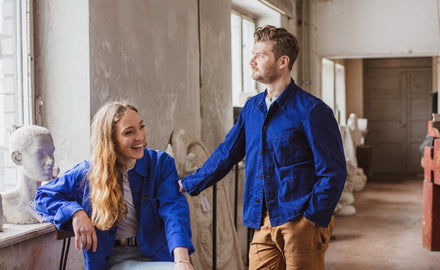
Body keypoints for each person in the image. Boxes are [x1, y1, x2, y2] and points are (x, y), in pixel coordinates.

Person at [179, 25, 347, 270]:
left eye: (260, 55)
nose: (251, 61)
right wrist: (188, 184)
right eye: (252, 54)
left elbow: (333, 171)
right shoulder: (251, 108)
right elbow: (227, 153)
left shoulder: (312, 110)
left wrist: (311, 218)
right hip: (262, 221)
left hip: (299, 219)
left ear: (282, 62)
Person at [35, 101, 195, 270]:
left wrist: (182, 261)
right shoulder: (88, 173)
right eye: (129, 132)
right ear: (111, 139)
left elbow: (174, 212)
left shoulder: (160, 164)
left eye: (141, 127)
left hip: (157, 254)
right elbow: (43, 197)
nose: (140, 136)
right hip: (114, 260)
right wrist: (76, 212)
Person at [2, 125, 55, 224]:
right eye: (39, 154)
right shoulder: (5, 204)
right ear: (17, 158)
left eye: (51, 153)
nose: (50, 161)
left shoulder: (52, 199)